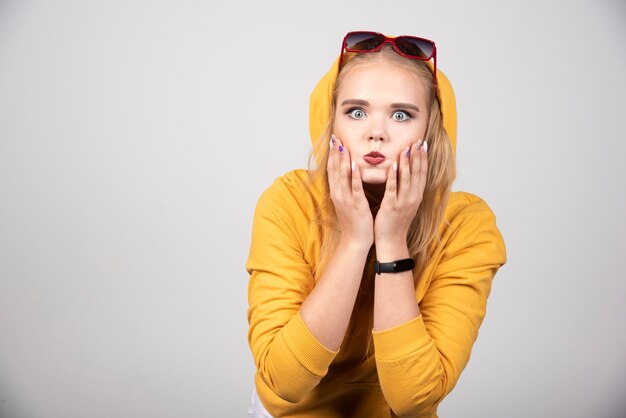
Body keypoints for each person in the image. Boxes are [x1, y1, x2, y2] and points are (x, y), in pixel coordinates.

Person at [246, 31, 507, 418]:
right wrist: (355, 241)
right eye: (356, 111)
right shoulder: (287, 202)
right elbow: (285, 382)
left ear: (431, 131)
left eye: (401, 114)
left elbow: (413, 399)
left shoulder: (467, 225)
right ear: (330, 121)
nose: (376, 132)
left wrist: (391, 240)